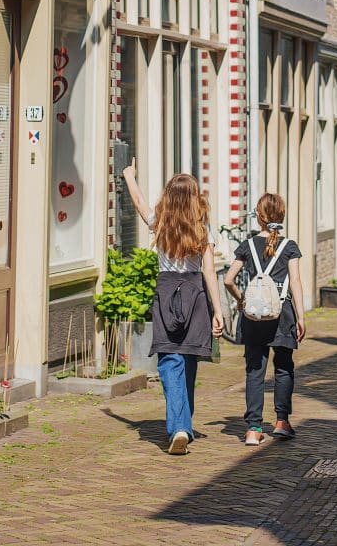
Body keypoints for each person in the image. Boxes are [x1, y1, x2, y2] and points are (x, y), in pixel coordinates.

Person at [122, 160, 224, 455]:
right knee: (188, 360)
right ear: (195, 198)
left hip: (167, 292)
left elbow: (140, 203)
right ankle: (183, 424)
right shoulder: (203, 228)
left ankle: (179, 426)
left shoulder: (160, 221)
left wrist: (129, 175)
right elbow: (208, 272)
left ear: (168, 196)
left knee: (171, 361)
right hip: (194, 294)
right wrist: (218, 310)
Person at [223, 193, 306, 446]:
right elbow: (296, 282)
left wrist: (240, 300)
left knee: (255, 370)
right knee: (283, 367)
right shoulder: (289, 246)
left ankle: (253, 429)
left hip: (254, 315)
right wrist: (301, 316)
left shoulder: (247, 246)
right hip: (282, 315)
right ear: (282, 216)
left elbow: (228, 279)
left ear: (258, 217)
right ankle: (281, 422)